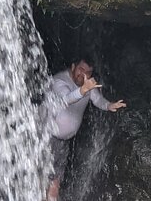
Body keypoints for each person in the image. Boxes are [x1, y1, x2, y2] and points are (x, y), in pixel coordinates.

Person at [46, 57, 126, 201]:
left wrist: (109, 105)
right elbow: (66, 99)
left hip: (63, 143)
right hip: (45, 138)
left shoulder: (87, 86)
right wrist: (83, 90)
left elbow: (97, 100)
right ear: (73, 67)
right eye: (80, 70)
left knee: (54, 184)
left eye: (88, 72)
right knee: (41, 180)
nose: (83, 75)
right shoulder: (60, 81)